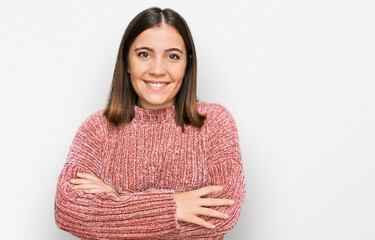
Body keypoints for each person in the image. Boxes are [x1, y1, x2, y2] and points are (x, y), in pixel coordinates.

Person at [54, 7, 245, 240]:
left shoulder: (214, 123)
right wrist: (173, 206)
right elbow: (67, 211)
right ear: (127, 61)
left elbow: (222, 215)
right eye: (144, 54)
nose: (157, 69)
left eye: (172, 56)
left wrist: (115, 199)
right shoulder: (96, 129)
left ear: (187, 65)